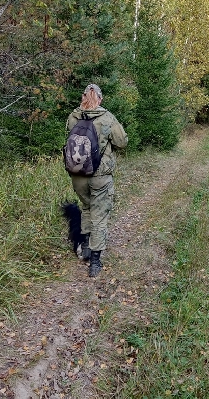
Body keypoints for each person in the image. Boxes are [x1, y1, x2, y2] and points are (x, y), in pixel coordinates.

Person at [66, 84, 128, 277]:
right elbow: (122, 142)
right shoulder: (107, 118)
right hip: (100, 175)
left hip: (77, 174)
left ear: (83, 97)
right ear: (99, 99)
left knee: (86, 207)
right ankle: (95, 262)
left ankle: (84, 248)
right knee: (99, 216)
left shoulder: (73, 117)